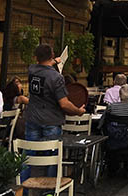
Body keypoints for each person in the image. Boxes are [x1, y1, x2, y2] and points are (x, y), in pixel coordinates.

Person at [22, 44, 86, 184]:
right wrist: (78, 111)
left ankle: (23, 189)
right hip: (51, 121)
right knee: (52, 157)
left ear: (36, 57)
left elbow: (44, 64)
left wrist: (55, 61)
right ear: (51, 55)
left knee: (28, 156)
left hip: (32, 118)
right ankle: (50, 190)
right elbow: (64, 104)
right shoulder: (56, 77)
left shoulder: (32, 70)